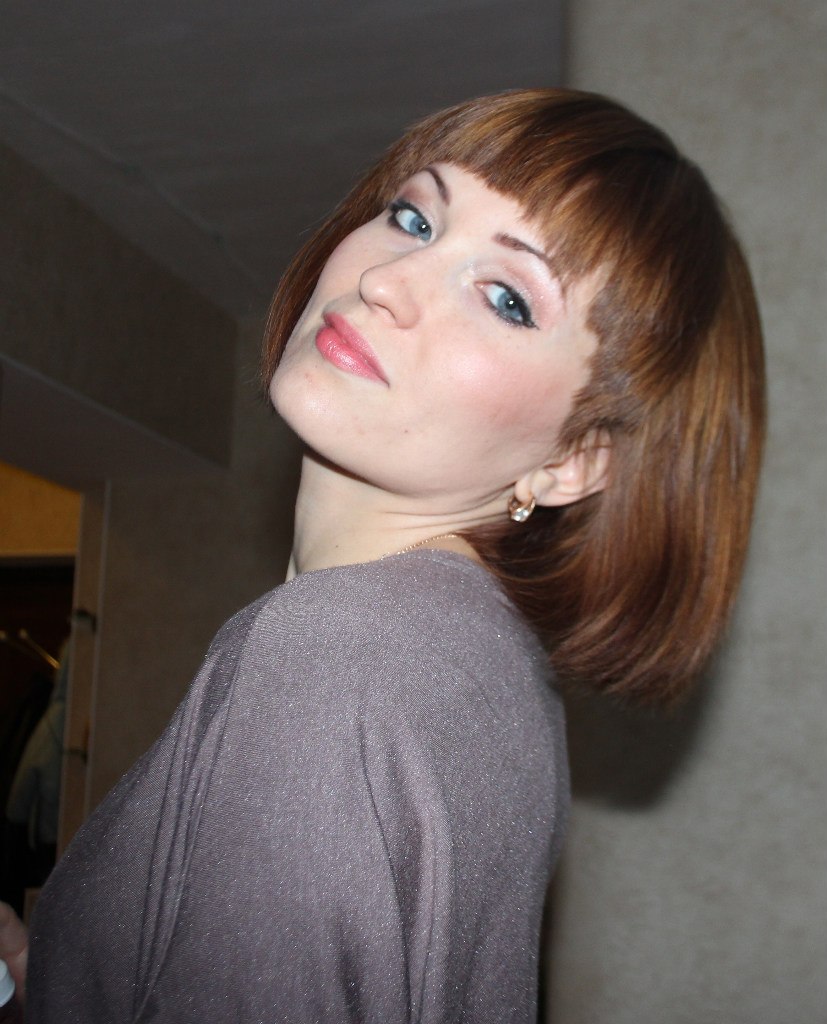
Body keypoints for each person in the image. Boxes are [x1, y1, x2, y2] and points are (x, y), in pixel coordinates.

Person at [1, 88, 765, 1021]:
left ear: (573, 460)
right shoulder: (485, 674)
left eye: (506, 298)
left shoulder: (336, 654)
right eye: (413, 217)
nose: (388, 281)